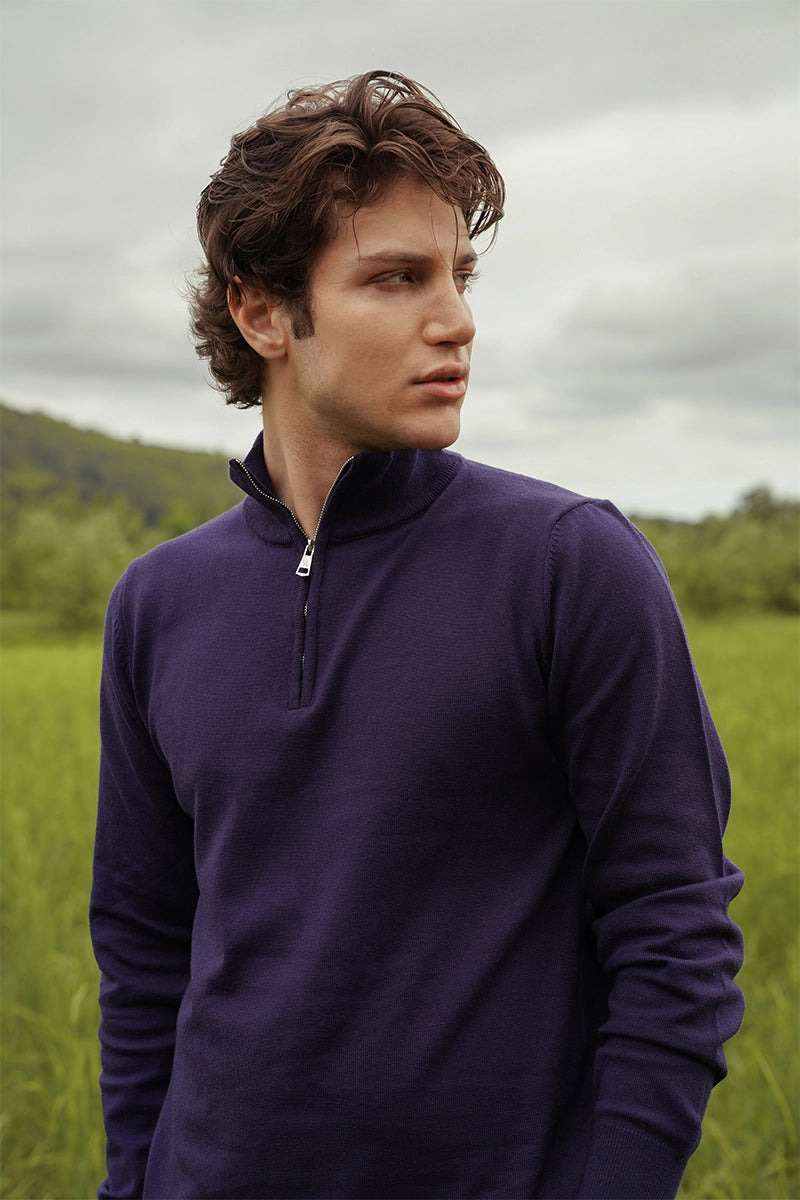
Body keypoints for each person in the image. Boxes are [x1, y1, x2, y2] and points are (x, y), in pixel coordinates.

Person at [90, 70, 744, 1200]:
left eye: (457, 275)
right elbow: (145, 948)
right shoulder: (157, 604)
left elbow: (673, 934)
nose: (456, 321)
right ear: (262, 313)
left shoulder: (570, 565)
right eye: (396, 278)